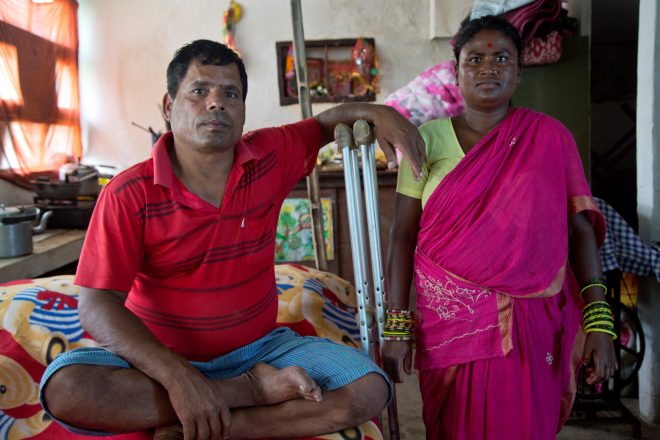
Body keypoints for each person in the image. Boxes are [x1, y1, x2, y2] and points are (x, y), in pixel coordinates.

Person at [39, 39, 424, 440]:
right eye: (199, 91)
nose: (216, 103)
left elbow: (326, 124)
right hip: (158, 361)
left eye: (230, 94)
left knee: (368, 389)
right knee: (66, 387)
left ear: (242, 110)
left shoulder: (270, 154)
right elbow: (97, 303)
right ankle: (250, 392)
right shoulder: (128, 193)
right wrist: (179, 378)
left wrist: (381, 113)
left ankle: (203, 425)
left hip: (260, 350)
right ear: (169, 107)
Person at [382, 15, 617, 440]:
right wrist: (397, 324)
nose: (488, 68)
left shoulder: (550, 138)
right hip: (448, 324)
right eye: (475, 59)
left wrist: (599, 322)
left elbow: (579, 231)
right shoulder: (425, 140)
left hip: (532, 320)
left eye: (501, 58)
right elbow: (402, 234)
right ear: (455, 73)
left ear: (518, 73)